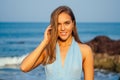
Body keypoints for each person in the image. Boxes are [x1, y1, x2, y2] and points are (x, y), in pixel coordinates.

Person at [20, 5, 94, 80]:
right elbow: (24, 67)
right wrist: (44, 42)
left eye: (66, 23)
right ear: (53, 26)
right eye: (58, 24)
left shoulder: (85, 50)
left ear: (73, 24)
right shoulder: (48, 51)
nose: (62, 28)